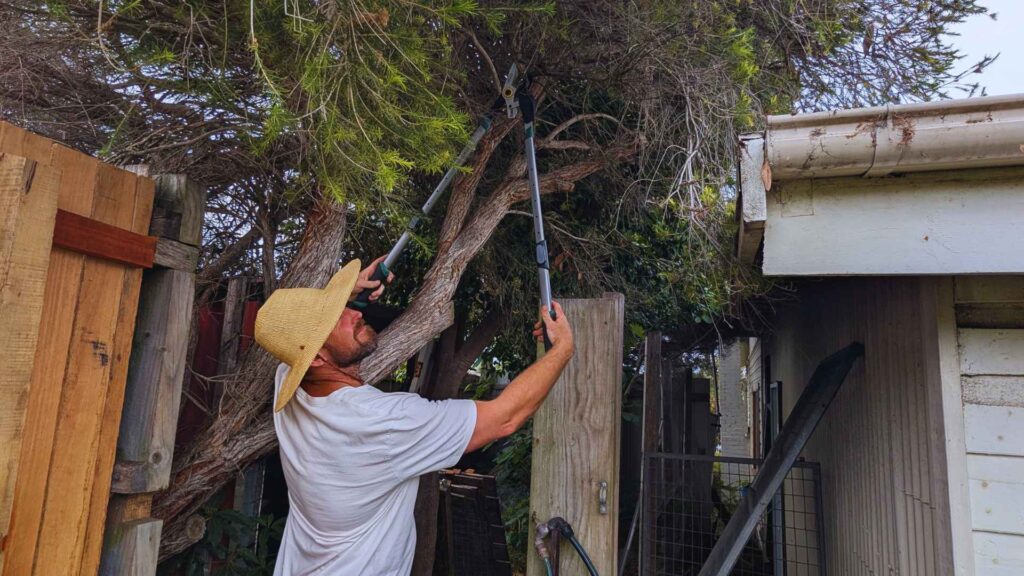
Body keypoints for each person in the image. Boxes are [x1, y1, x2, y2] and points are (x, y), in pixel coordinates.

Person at [254, 257, 574, 575]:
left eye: (342, 306)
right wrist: (561, 349)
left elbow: (301, 351)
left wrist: (348, 292)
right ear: (318, 359)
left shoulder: (292, 385)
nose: (355, 313)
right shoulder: (384, 423)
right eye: (335, 318)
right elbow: (505, 417)